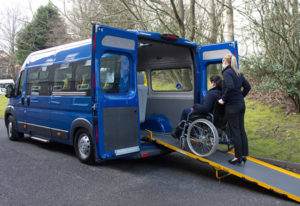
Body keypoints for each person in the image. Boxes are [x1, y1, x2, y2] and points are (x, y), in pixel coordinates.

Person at [218, 54, 251, 165]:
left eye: (222, 62)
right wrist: (241, 96)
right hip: (241, 104)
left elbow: (230, 86)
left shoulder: (227, 72)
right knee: (241, 130)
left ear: (225, 62)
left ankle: (237, 157)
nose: (222, 64)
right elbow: (248, 87)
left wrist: (223, 99)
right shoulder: (238, 73)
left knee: (235, 131)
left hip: (232, 106)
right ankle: (243, 155)